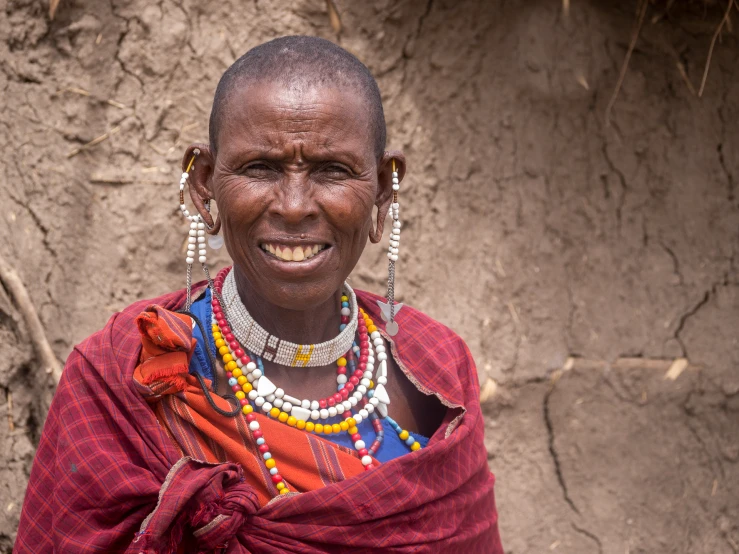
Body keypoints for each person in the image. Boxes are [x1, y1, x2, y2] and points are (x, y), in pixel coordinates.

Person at [16, 36, 503, 553]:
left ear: (383, 188)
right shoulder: (122, 374)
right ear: (204, 184)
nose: (294, 207)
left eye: (332, 170)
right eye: (260, 168)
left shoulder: (438, 372)